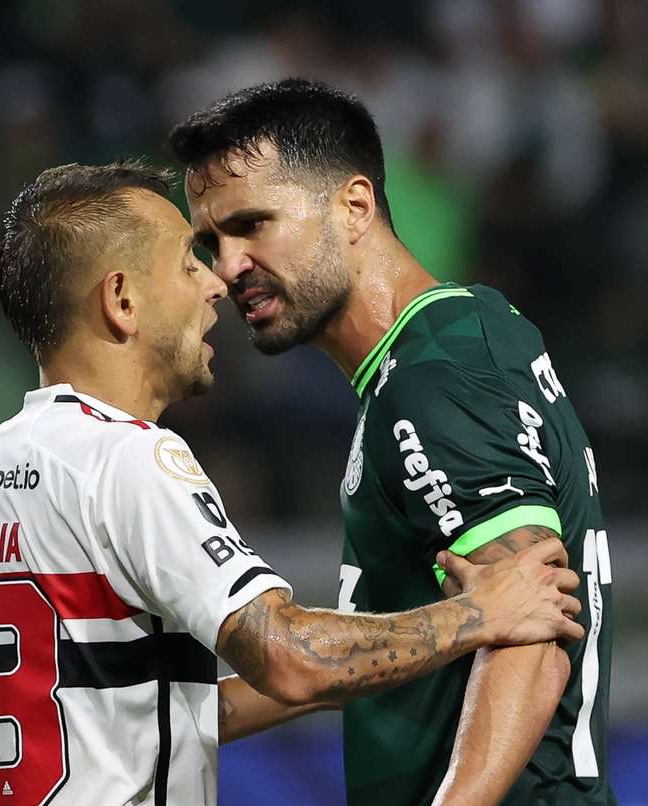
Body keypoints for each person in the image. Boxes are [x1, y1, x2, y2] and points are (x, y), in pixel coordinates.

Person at [0, 160, 582, 806]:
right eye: (188, 262)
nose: (216, 284)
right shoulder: (127, 457)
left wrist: (387, 653)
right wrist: (478, 614)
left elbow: (129, 709)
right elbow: (291, 657)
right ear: (122, 299)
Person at [169, 78, 614, 805]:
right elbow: (401, 648)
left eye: (253, 223)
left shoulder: (436, 379)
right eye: (212, 241)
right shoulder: (448, 349)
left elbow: (532, 633)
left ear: (353, 206)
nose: (228, 265)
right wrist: (143, 718)